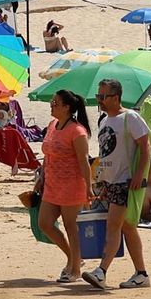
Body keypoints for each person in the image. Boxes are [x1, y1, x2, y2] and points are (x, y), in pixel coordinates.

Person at [82, 79, 151, 290]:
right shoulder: (104, 121)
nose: (99, 100)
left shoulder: (130, 117)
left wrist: (139, 174)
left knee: (114, 227)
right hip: (110, 181)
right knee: (127, 227)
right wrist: (101, 181)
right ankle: (141, 274)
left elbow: (145, 147)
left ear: (116, 97)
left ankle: (102, 271)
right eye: (98, 96)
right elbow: (105, 154)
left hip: (124, 180)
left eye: (103, 96)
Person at [39, 90, 93, 283]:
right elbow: (48, 155)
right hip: (52, 184)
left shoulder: (77, 131)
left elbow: (83, 160)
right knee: (44, 223)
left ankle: (75, 270)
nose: (51, 105)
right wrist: (41, 176)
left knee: (72, 227)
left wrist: (88, 186)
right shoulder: (52, 125)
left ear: (67, 107)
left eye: (55, 102)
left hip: (72, 184)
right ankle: (72, 257)